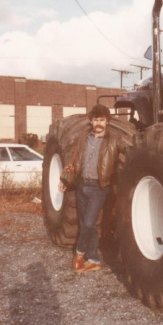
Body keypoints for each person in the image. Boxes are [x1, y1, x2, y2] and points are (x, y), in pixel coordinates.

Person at [59, 104, 122, 273]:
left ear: (107, 121)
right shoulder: (83, 137)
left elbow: (127, 155)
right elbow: (73, 160)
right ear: (91, 120)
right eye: (96, 120)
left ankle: (79, 254)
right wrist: (64, 180)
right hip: (81, 185)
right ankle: (94, 259)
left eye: (102, 120)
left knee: (87, 223)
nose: (98, 123)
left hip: (98, 188)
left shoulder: (115, 140)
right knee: (88, 224)